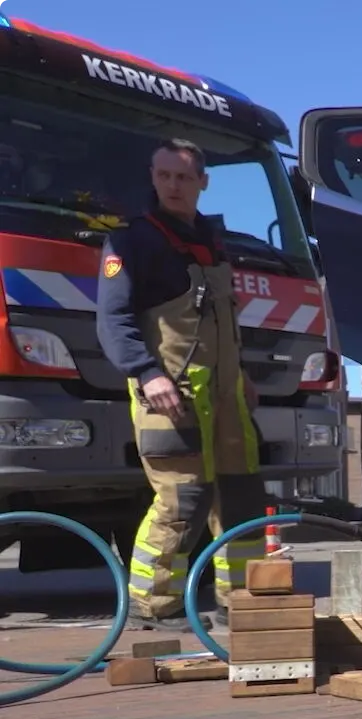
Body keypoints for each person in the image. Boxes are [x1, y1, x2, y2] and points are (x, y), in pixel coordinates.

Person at [96, 139, 265, 632]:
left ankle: (245, 597)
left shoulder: (213, 240)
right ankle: (154, 606)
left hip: (226, 395)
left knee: (240, 496)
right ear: (153, 177)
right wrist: (147, 373)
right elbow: (114, 319)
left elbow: (220, 320)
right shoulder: (132, 242)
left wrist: (243, 374)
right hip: (170, 394)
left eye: (184, 177)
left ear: (203, 182)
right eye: (165, 175)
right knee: (181, 499)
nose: (174, 185)